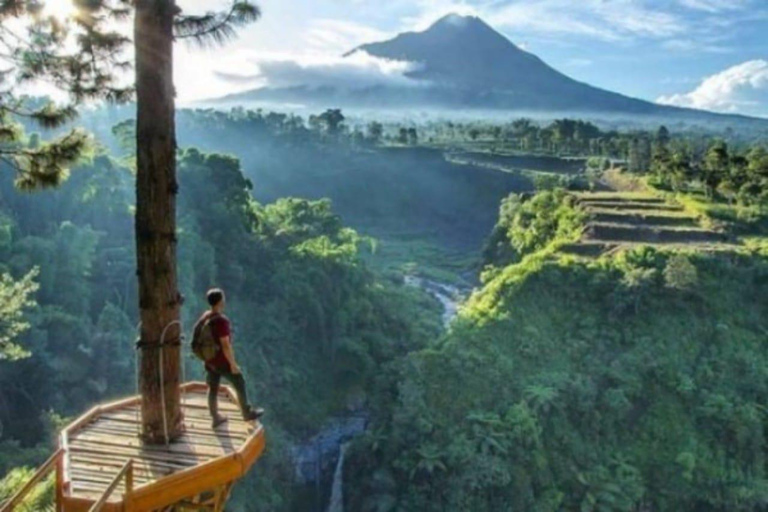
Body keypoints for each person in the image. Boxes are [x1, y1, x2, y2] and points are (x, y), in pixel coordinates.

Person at [194, 288, 263, 428]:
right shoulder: (221, 321)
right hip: (221, 360)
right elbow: (225, 345)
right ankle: (246, 412)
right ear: (220, 301)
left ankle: (215, 417)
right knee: (239, 381)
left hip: (209, 360)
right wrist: (233, 364)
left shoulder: (205, 317)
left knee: (212, 388)